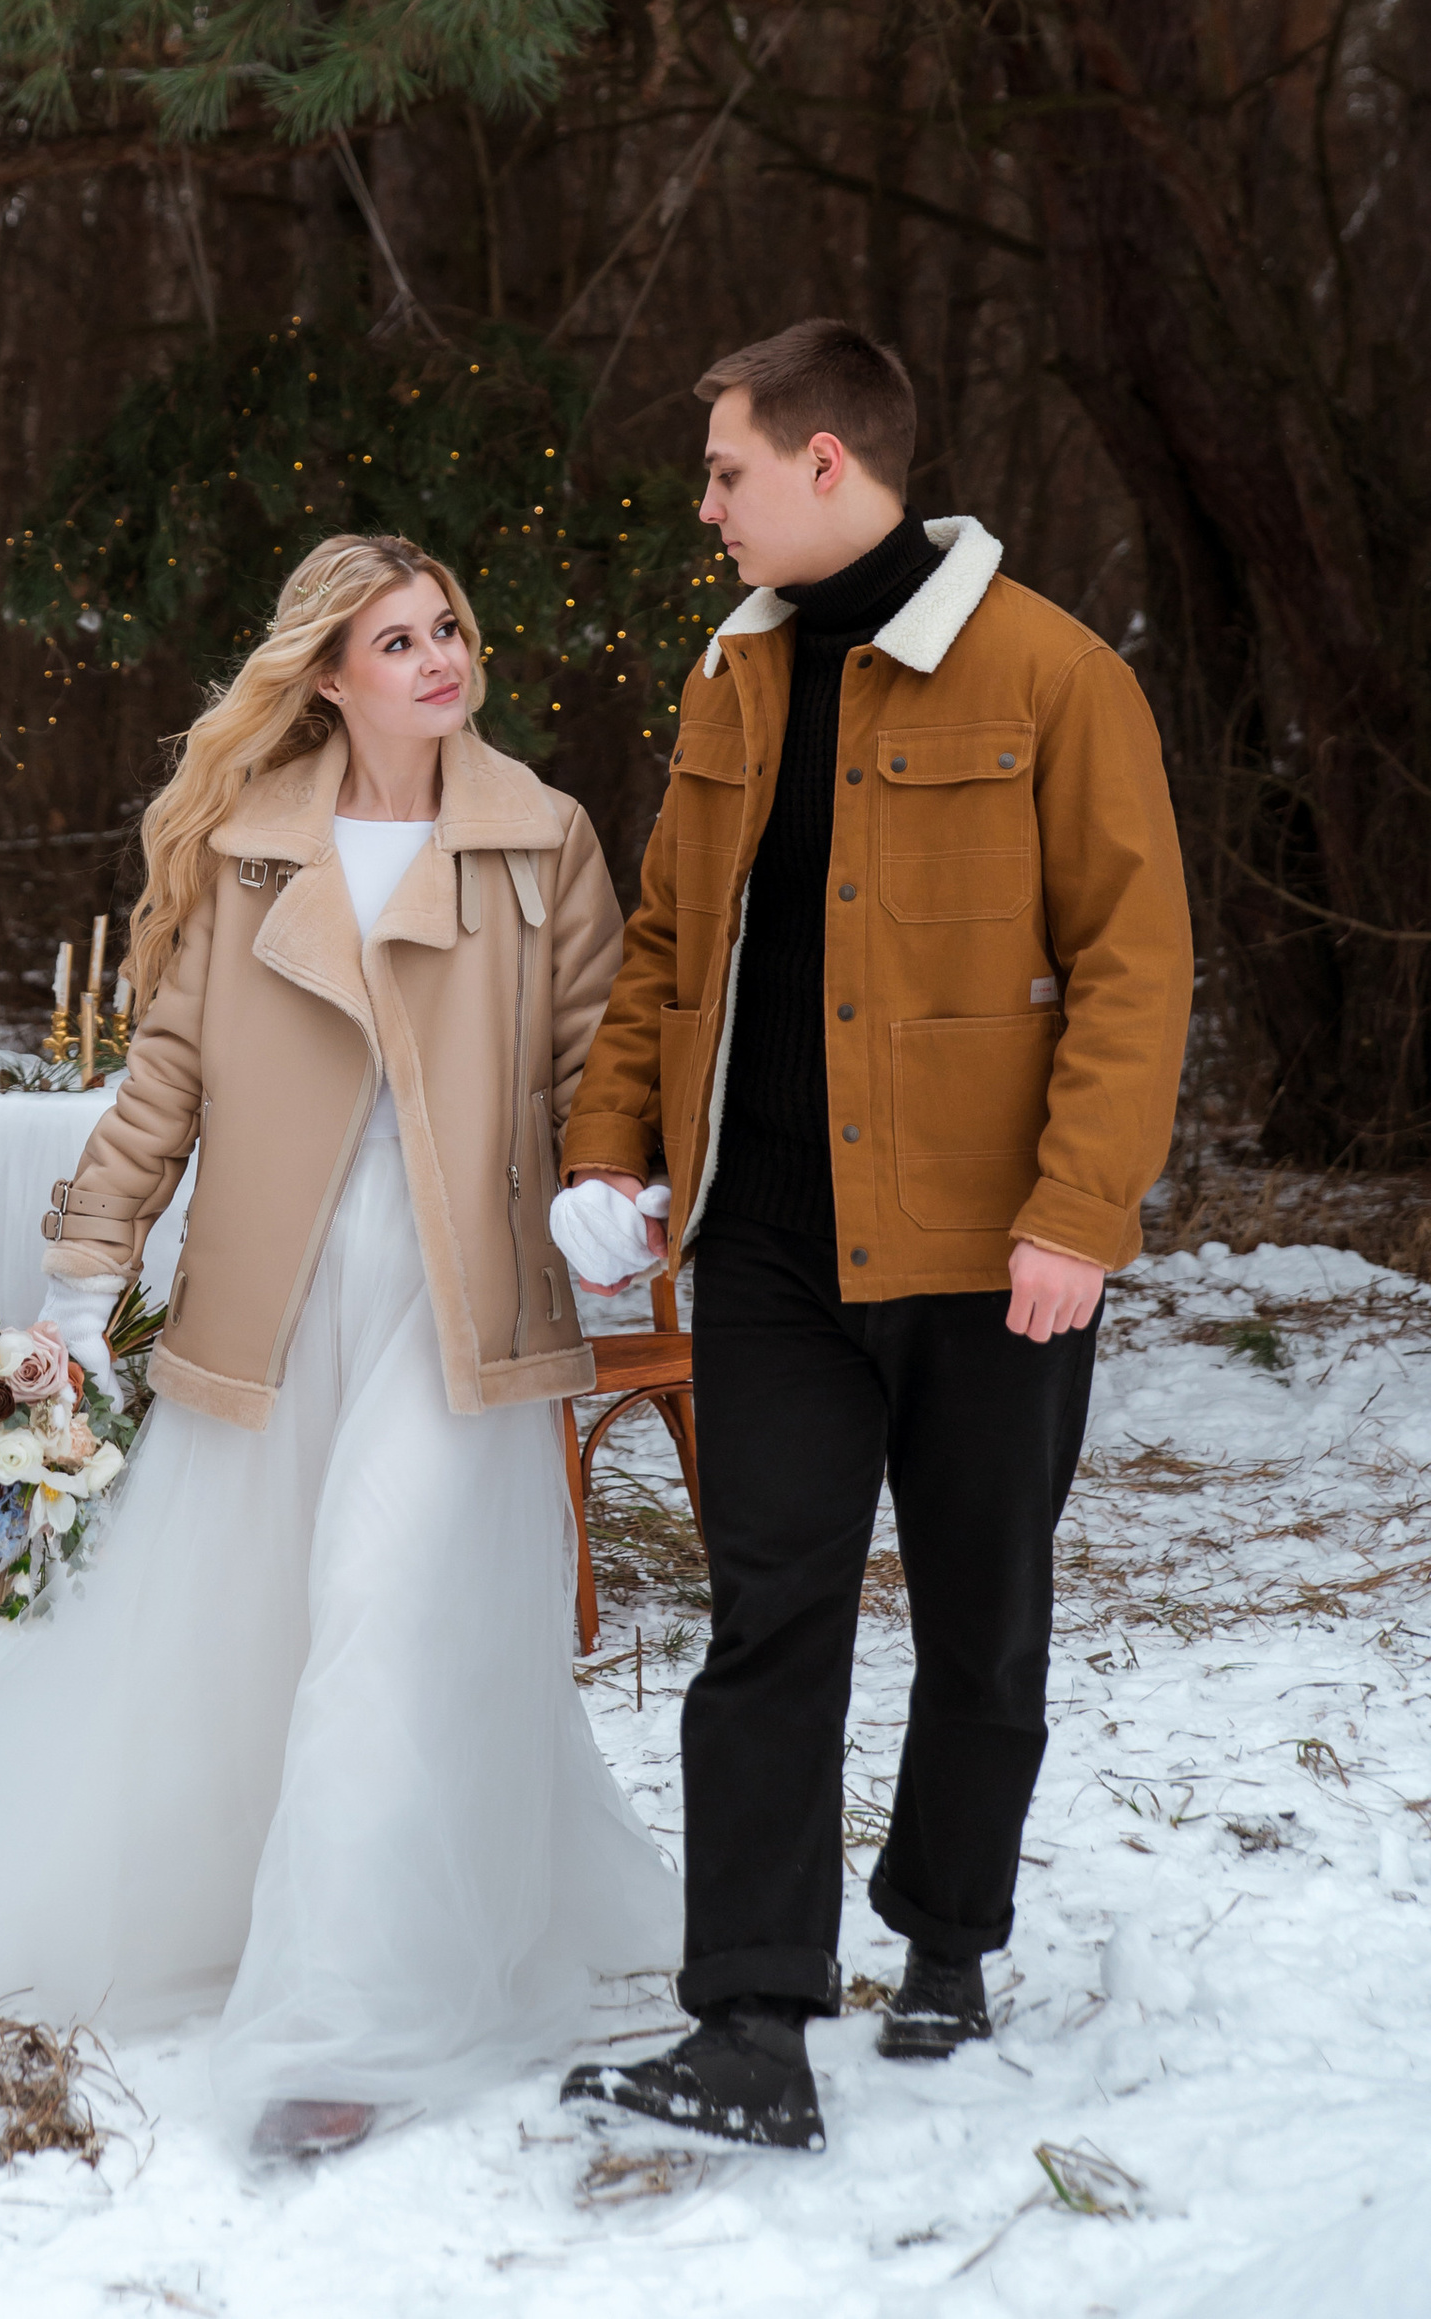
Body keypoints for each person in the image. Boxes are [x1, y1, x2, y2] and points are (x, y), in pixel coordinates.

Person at [0, 532, 679, 2157]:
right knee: (253, 1632)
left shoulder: (543, 837)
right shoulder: (256, 848)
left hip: (462, 1301)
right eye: (396, 641)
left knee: (395, 1622)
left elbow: (598, 1058)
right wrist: (79, 1275)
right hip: (276, 1296)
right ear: (328, 675)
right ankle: (252, 1907)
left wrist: (614, 1187)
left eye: (449, 628)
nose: (438, 660)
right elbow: (167, 1081)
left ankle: (348, 2022)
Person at [554, 321, 1192, 2150]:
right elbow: (669, 946)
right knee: (766, 1620)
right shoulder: (731, 683)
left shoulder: (1053, 674)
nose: (708, 508)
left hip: (993, 1254)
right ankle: (751, 2020)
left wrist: (1079, 1216)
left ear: (829, 463)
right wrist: (613, 1150)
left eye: (729, 472)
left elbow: (1140, 973)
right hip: (765, 1251)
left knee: (984, 1618)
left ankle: (947, 1937)